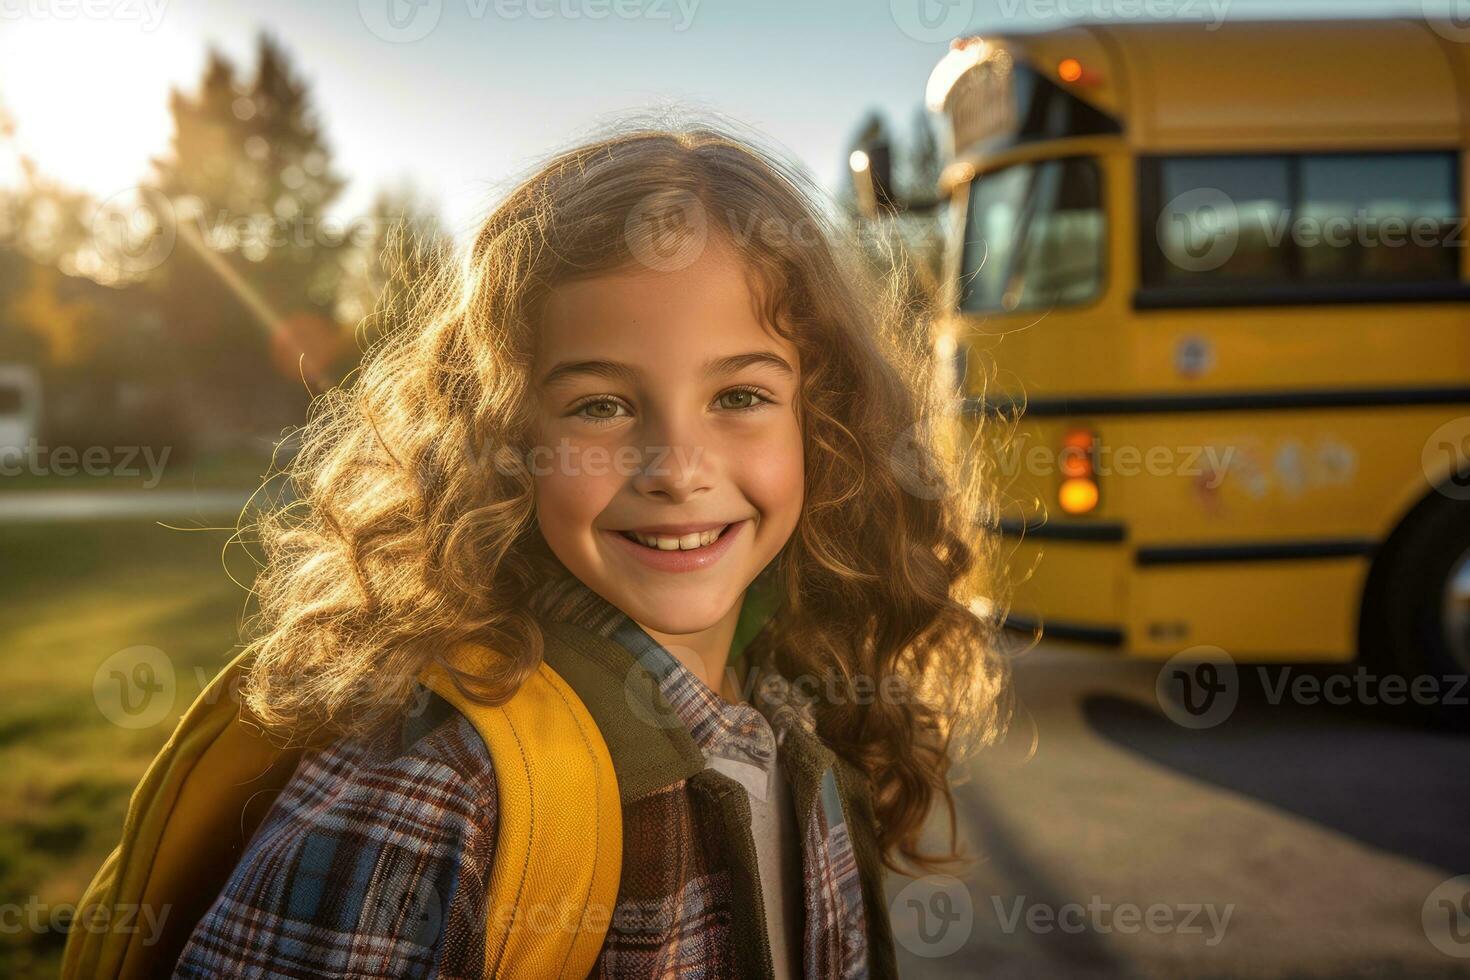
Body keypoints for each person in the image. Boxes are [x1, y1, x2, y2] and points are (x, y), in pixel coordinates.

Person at [170, 123, 1012, 978]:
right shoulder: (438, 795)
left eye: (741, 394)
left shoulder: (797, 707)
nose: (678, 470)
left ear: (821, 421)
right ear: (501, 434)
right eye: (601, 406)